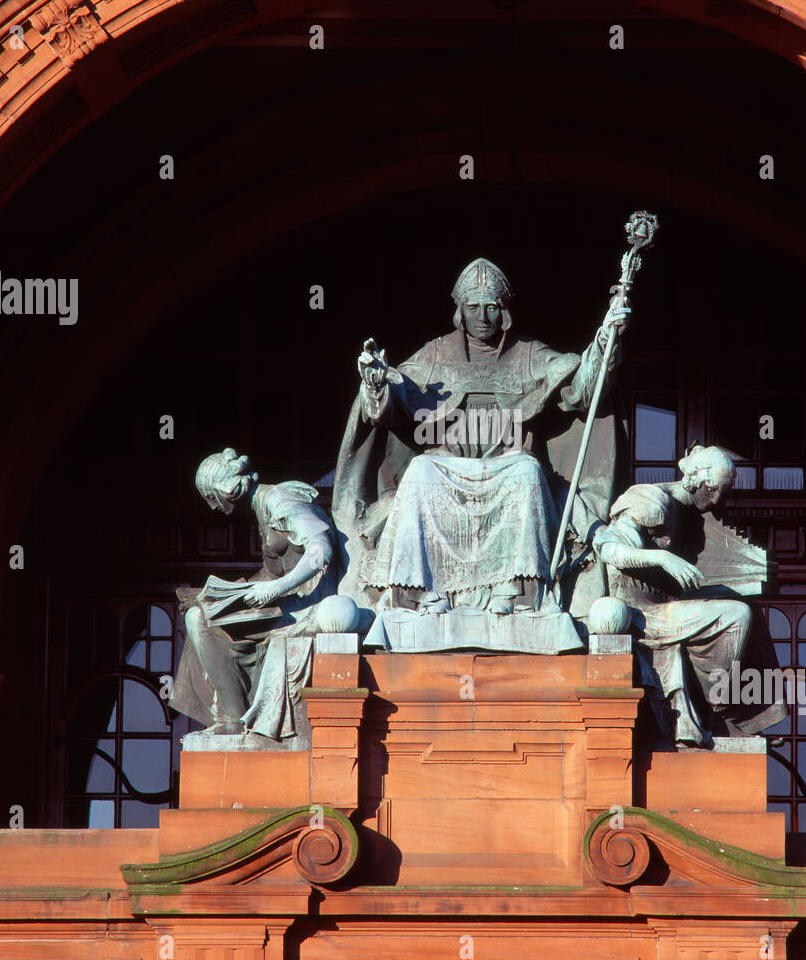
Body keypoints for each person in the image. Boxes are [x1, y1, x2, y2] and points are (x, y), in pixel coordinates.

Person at [333, 258, 629, 618]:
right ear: (460, 311)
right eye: (473, 307)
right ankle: (415, 590)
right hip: (448, 469)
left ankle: (518, 589)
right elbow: (392, 405)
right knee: (421, 470)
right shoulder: (436, 354)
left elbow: (582, 387)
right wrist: (377, 384)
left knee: (527, 471)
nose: (483, 316)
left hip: (507, 466)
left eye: (492, 307)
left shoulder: (529, 354)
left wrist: (603, 342)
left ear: (504, 312)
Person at [593, 445, 784, 746]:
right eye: (713, 488)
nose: (718, 498)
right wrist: (662, 559)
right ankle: (719, 711)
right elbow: (609, 550)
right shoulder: (653, 500)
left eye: (723, 490)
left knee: (748, 608)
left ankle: (744, 717)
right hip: (640, 613)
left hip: (668, 605)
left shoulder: (689, 515)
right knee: (737, 616)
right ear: (695, 479)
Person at [170, 449, 340, 742]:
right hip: (286, 604)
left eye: (212, 497)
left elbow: (320, 550)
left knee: (200, 620)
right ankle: (232, 718)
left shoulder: (281, 501)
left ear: (228, 489)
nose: (212, 507)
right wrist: (225, 595)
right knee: (200, 610)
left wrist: (275, 588)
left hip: (305, 607)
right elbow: (270, 574)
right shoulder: (262, 507)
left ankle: (233, 719)